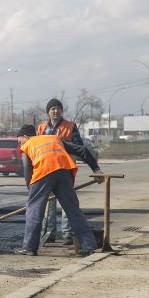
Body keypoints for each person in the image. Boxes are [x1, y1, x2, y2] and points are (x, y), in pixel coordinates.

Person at [15, 124, 103, 256]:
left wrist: (31, 190)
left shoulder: (28, 145)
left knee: (33, 211)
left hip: (43, 172)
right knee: (73, 210)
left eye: (19, 141)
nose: (19, 144)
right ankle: (89, 245)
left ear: (26, 137)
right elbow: (82, 150)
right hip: (63, 171)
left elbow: (28, 169)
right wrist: (96, 169)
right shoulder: (54, 139)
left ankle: (29, 247)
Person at [37, 98, 84, 245]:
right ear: (48, 112)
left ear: (61, 110)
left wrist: (61, 143)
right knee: (49, 202)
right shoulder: (41, 128)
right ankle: (49, 233)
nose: (55, 111)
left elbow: (79, 146)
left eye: (58, 108)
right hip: (47, 169)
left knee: (66, 202)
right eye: (53, 109)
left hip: (65, 169)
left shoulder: (70, 126)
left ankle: (68, 234)